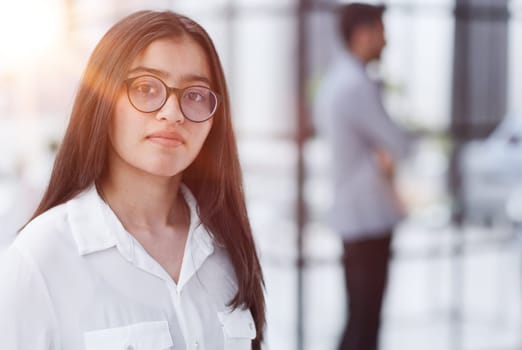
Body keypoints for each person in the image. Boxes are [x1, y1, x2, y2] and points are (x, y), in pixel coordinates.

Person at [0, 10, 265, 350]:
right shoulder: (42, 257)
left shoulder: (227, 246)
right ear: (102, 102)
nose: (172, 112)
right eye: (145, 88)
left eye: (195, 95)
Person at [313, 3, 413, 350]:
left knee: (358, 317)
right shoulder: (357, 84)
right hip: (368, 215)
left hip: (353, 212)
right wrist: (387, 153)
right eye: (381, 31)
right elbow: (399, 143)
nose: (386, 40)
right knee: (365, 322)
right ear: (363, 34)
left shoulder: (336, 80)